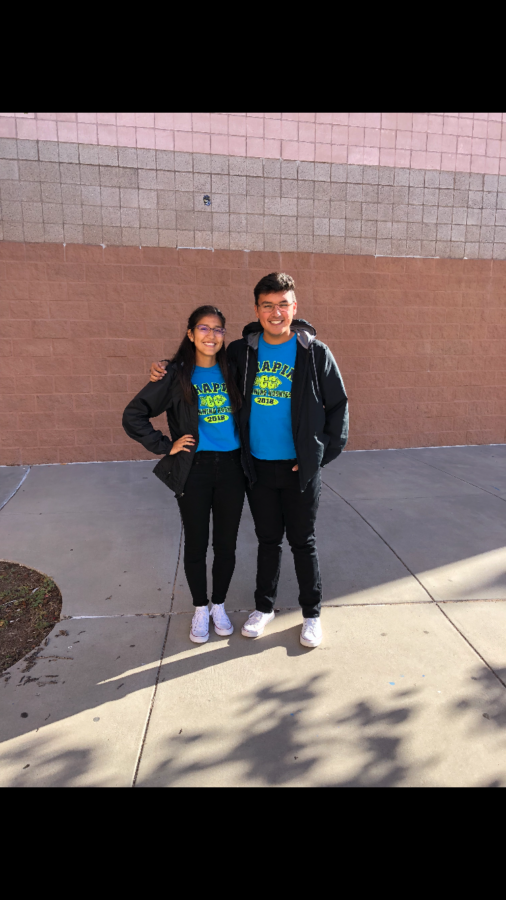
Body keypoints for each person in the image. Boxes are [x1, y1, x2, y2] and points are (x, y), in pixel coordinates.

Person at [150, 273, 348, 649]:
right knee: (267, 540)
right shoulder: (243, 351)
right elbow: (203, 358)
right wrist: (166, 366)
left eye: (283, 304)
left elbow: (338, 407)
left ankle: (311, 614)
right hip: (255, 467)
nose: (276, 312)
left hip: (298, 467)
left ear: (295, 307)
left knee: (302, 542)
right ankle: (264, 607)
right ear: (257, 310)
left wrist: (318, 457)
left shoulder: (314, 352)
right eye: (268, 305)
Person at [123, 305, 245, 645]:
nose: (211, 335)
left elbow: (257, 334)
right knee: (196, 543)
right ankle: (199, 608)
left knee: (226, 544)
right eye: (203, 328)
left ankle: (218, 604)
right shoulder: (176, 376)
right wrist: (165, 445)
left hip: (233, 468)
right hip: (195, 470)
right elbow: (134, 415)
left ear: (224, 335)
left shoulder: (233, 370)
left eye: (218, 329)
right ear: (190, 334)